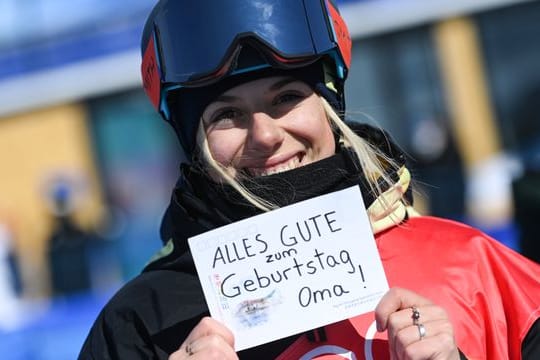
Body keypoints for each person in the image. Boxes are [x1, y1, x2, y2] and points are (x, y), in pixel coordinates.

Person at [79, 0, 540, 359]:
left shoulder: (470, 264)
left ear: (328, 108)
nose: (264, 134)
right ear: (195, 143)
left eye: (286, 97)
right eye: (227, 115)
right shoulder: (140, 324)